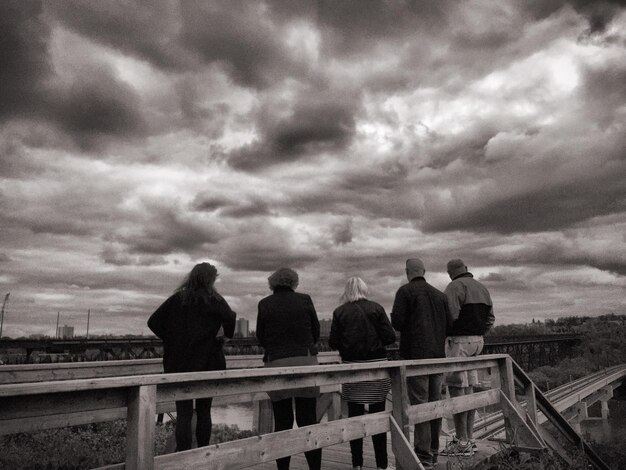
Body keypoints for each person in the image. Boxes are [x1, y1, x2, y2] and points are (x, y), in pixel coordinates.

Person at [147, 262, 236, 451]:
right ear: (211, 279)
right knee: (204, 411)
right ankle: (202, 454)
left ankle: (183, 457)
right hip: (209, 363)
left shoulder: (178, 299)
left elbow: (153, 322)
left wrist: (171, 339)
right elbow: (230, 320)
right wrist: (223, 336)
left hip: (179, 364)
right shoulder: (216, 300)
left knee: (184, 413)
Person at [256, 268, 322, 470]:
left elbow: (260, 336)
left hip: (276, 364)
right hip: (305, 362)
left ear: (272, 283)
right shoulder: (305, 299)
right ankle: (315, 468)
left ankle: (283, 469)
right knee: (308, 420)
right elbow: (316, 331)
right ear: (294, 282)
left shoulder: (264, 304)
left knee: (282, 422)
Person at [329, 277, 397, 470]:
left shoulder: (339, 312)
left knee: (354, 417)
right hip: (376, 367)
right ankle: (382, 465)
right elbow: (390, 337)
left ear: (346, 292)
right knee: (378, 417)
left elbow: (333, 342)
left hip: (352, 368)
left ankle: (356, 464)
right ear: (365, 290)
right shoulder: (376, 308)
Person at [391, 258, 452, 469]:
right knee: (434, 403)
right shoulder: (440, 295)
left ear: (407, 272)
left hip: (416, 357)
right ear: (424, 271)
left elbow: (397, 323)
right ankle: (434, 452)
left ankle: (423, 455)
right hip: (437, 356)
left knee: (420, 405)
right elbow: (450, 325)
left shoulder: (405, 292)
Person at [441, 259, 495, 457]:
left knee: (456, 389)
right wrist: (478, 333)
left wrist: (445, 334)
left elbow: (451, 315)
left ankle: (462, 442)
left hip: (459, 342)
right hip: (478, 342)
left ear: (451, 272)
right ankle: (469, 439)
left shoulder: (454, 286)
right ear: (466, 269)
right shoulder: (482, 287)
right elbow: (490, 318)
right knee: (470, 389)